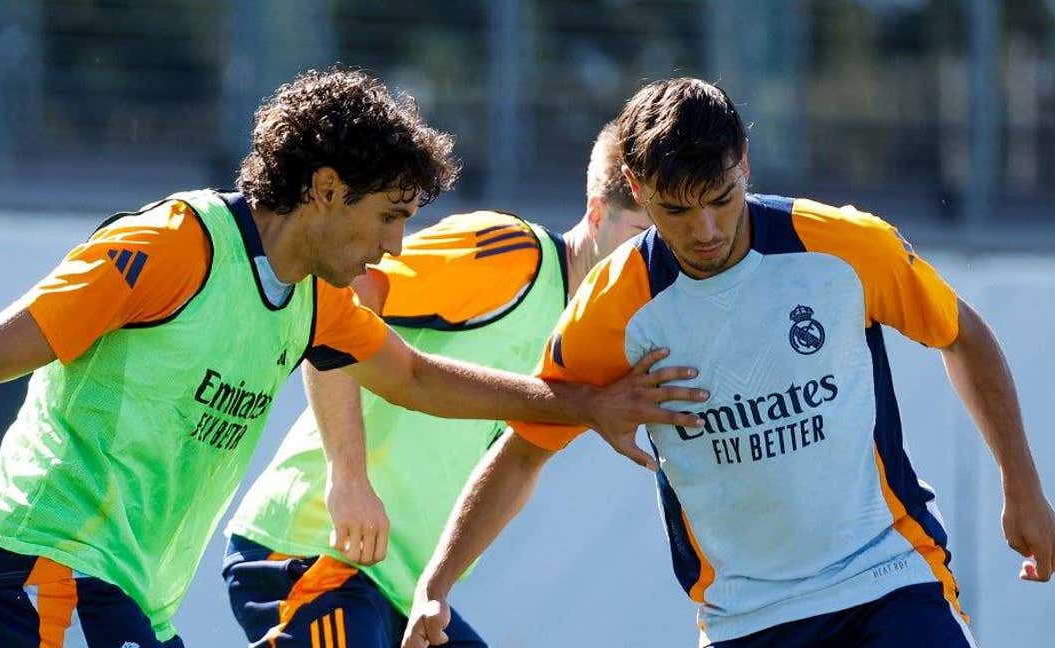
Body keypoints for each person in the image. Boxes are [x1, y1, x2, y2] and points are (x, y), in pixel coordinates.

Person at [0, 69, 698, 648]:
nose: (396, 245)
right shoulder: (174, 247)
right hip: (39, 560)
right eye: (388, 216)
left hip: (131, 593)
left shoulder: (314, 297)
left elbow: (413, 377)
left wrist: (585, 405)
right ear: (327, 189)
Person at [403, 77, 1055, 648]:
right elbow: (523, 450)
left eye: (719, 197)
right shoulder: (613, 309)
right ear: (635, 188)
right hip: (746, 618)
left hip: (887, 580)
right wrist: (436, 584)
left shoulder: (842, 248)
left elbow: (961, 332)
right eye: (677, 210)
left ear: (743, 164)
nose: (706, 230)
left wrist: (1021, 481)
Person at [219, 121, 657, 648]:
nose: (648, 260)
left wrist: (440, 581)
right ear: (596, 213)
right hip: (315, 548)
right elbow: (342, 300)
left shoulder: (587, 341)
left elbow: (520, 464)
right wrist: (349, 477)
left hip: (405, 594)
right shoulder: (513, 253)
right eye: (640, 237)